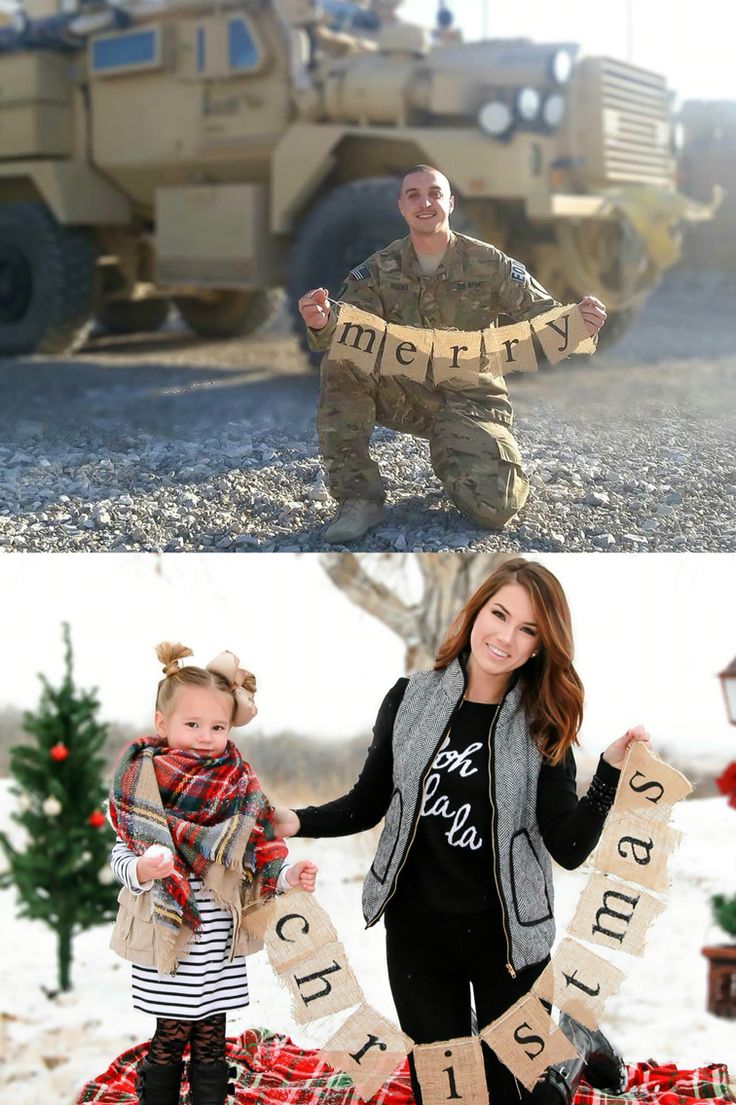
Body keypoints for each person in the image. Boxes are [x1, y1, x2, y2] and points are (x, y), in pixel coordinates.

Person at [273, 558, 643, 1103]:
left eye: (528, 630)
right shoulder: (409, 699)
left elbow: (567, 847)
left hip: (509, 942)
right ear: (476, 612)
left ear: (541, 646)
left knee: (516, 1095)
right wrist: (296, 820)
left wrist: (608, 775)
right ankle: (563, 1042)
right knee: (447, 1095)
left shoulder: (544, 722)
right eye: (499, 614)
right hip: (418, 937)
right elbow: (368, 802)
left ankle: (573, 1043)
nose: (506, 637)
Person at [298, 165, 607, 543]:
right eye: (413, 195)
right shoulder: (379, 269)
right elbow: (344, 324)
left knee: (496, 509)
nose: (424, 203)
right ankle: (358, 497)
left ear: (450, 202)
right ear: (401, 207)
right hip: (406, 393)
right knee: (345, 356)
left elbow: (541, 313)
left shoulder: (489, 262)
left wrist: (579, 321)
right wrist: (320, 321)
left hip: (471, 399)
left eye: (434, 193)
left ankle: (458, 451)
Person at [108, 643, 318, 1105]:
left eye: (217, 726)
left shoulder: (238, 785)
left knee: (212, 1033)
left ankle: (209, 1097)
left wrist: (286, 876)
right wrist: (143, 868)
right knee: (172, 1032)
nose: (206, 736)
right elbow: (120, 853)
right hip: (171, 930)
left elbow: (255, 856)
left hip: (218, 935)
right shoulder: (142, 782)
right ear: (162, 723)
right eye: (192, 724)